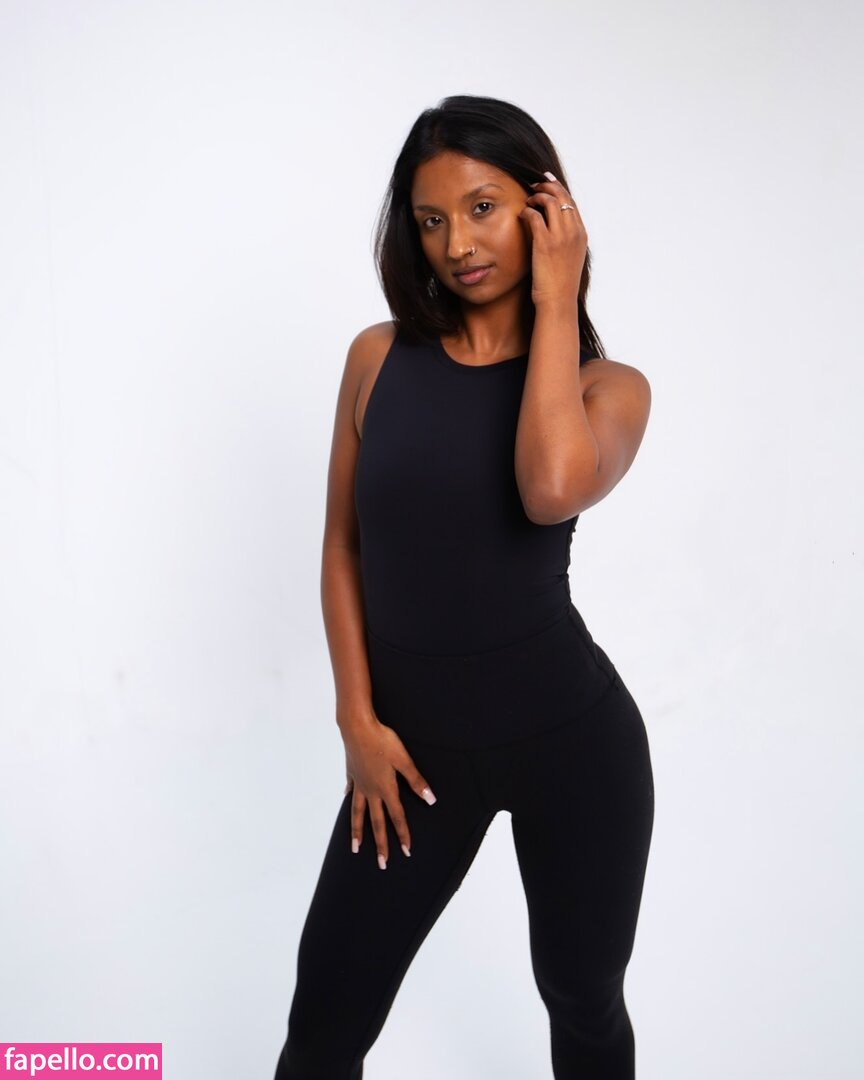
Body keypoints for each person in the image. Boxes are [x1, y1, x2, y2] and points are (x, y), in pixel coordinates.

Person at [272, 94, 655, 1079]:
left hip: (575, 747)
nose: (457, 244)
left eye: (484, 208)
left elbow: (549, 489)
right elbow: (342, 546)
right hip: (409, 759)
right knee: (324, 1026)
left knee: (582, 1001)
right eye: (432, 219)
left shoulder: (609, 390)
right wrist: (357, 721)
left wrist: (556, 302)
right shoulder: (377, 359)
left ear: (546, 211)